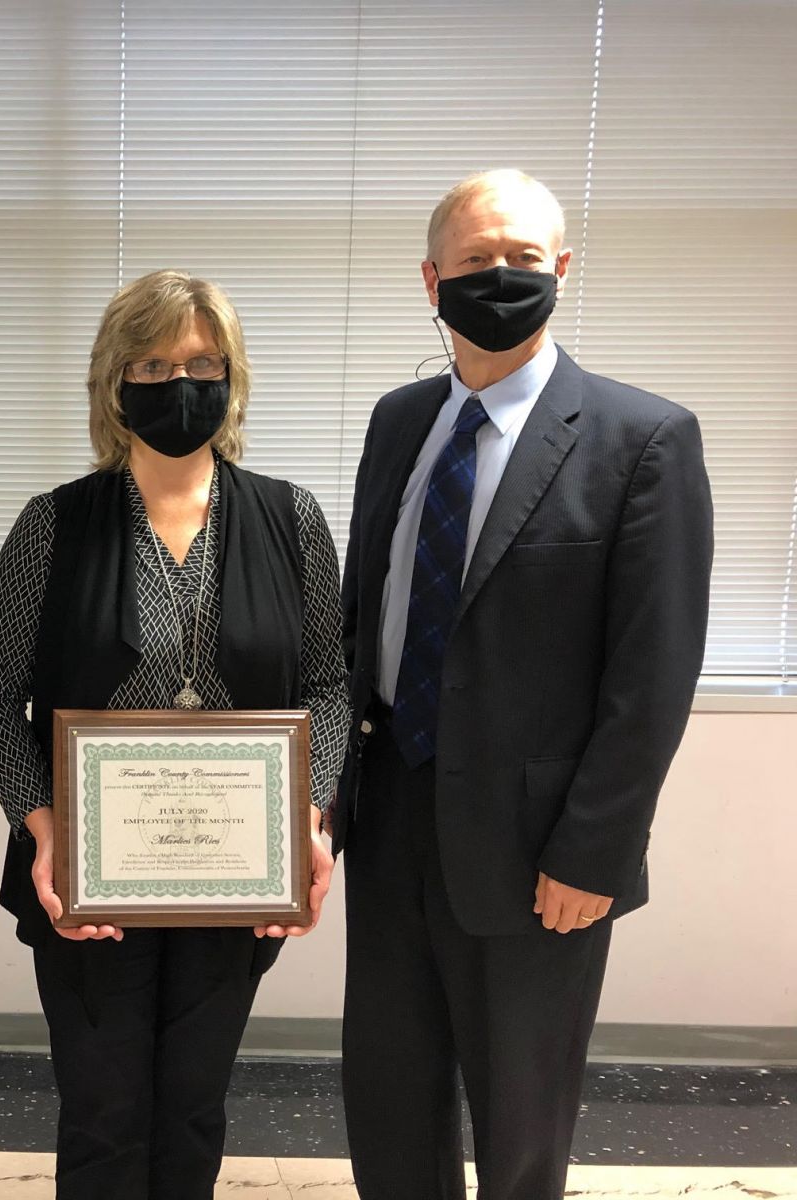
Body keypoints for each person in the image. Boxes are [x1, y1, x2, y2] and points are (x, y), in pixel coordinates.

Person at [336, 169, 714, 1200]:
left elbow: (652, 675)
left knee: (518, 1126)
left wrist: (594, 849)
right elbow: (358, 620)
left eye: (523, 260)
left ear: (561, 271)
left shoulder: (643, 441)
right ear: (430, 278)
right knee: (387, 1099)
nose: (499, 277)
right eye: (474, 261)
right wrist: (322, 803)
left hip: (539, 853)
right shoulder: (396, 421)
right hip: (389, 828)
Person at [0, 269, 350, 1199]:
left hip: (236, 880)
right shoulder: (52, 525)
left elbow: (332, 685)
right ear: (115, 382)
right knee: (100, 1111)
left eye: (201, 361)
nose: (181, 382)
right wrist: (44, 826)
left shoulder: (292, 519)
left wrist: (311, 813)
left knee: (192, 1105)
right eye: (153, 362)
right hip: (90, 882)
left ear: (232, 376)